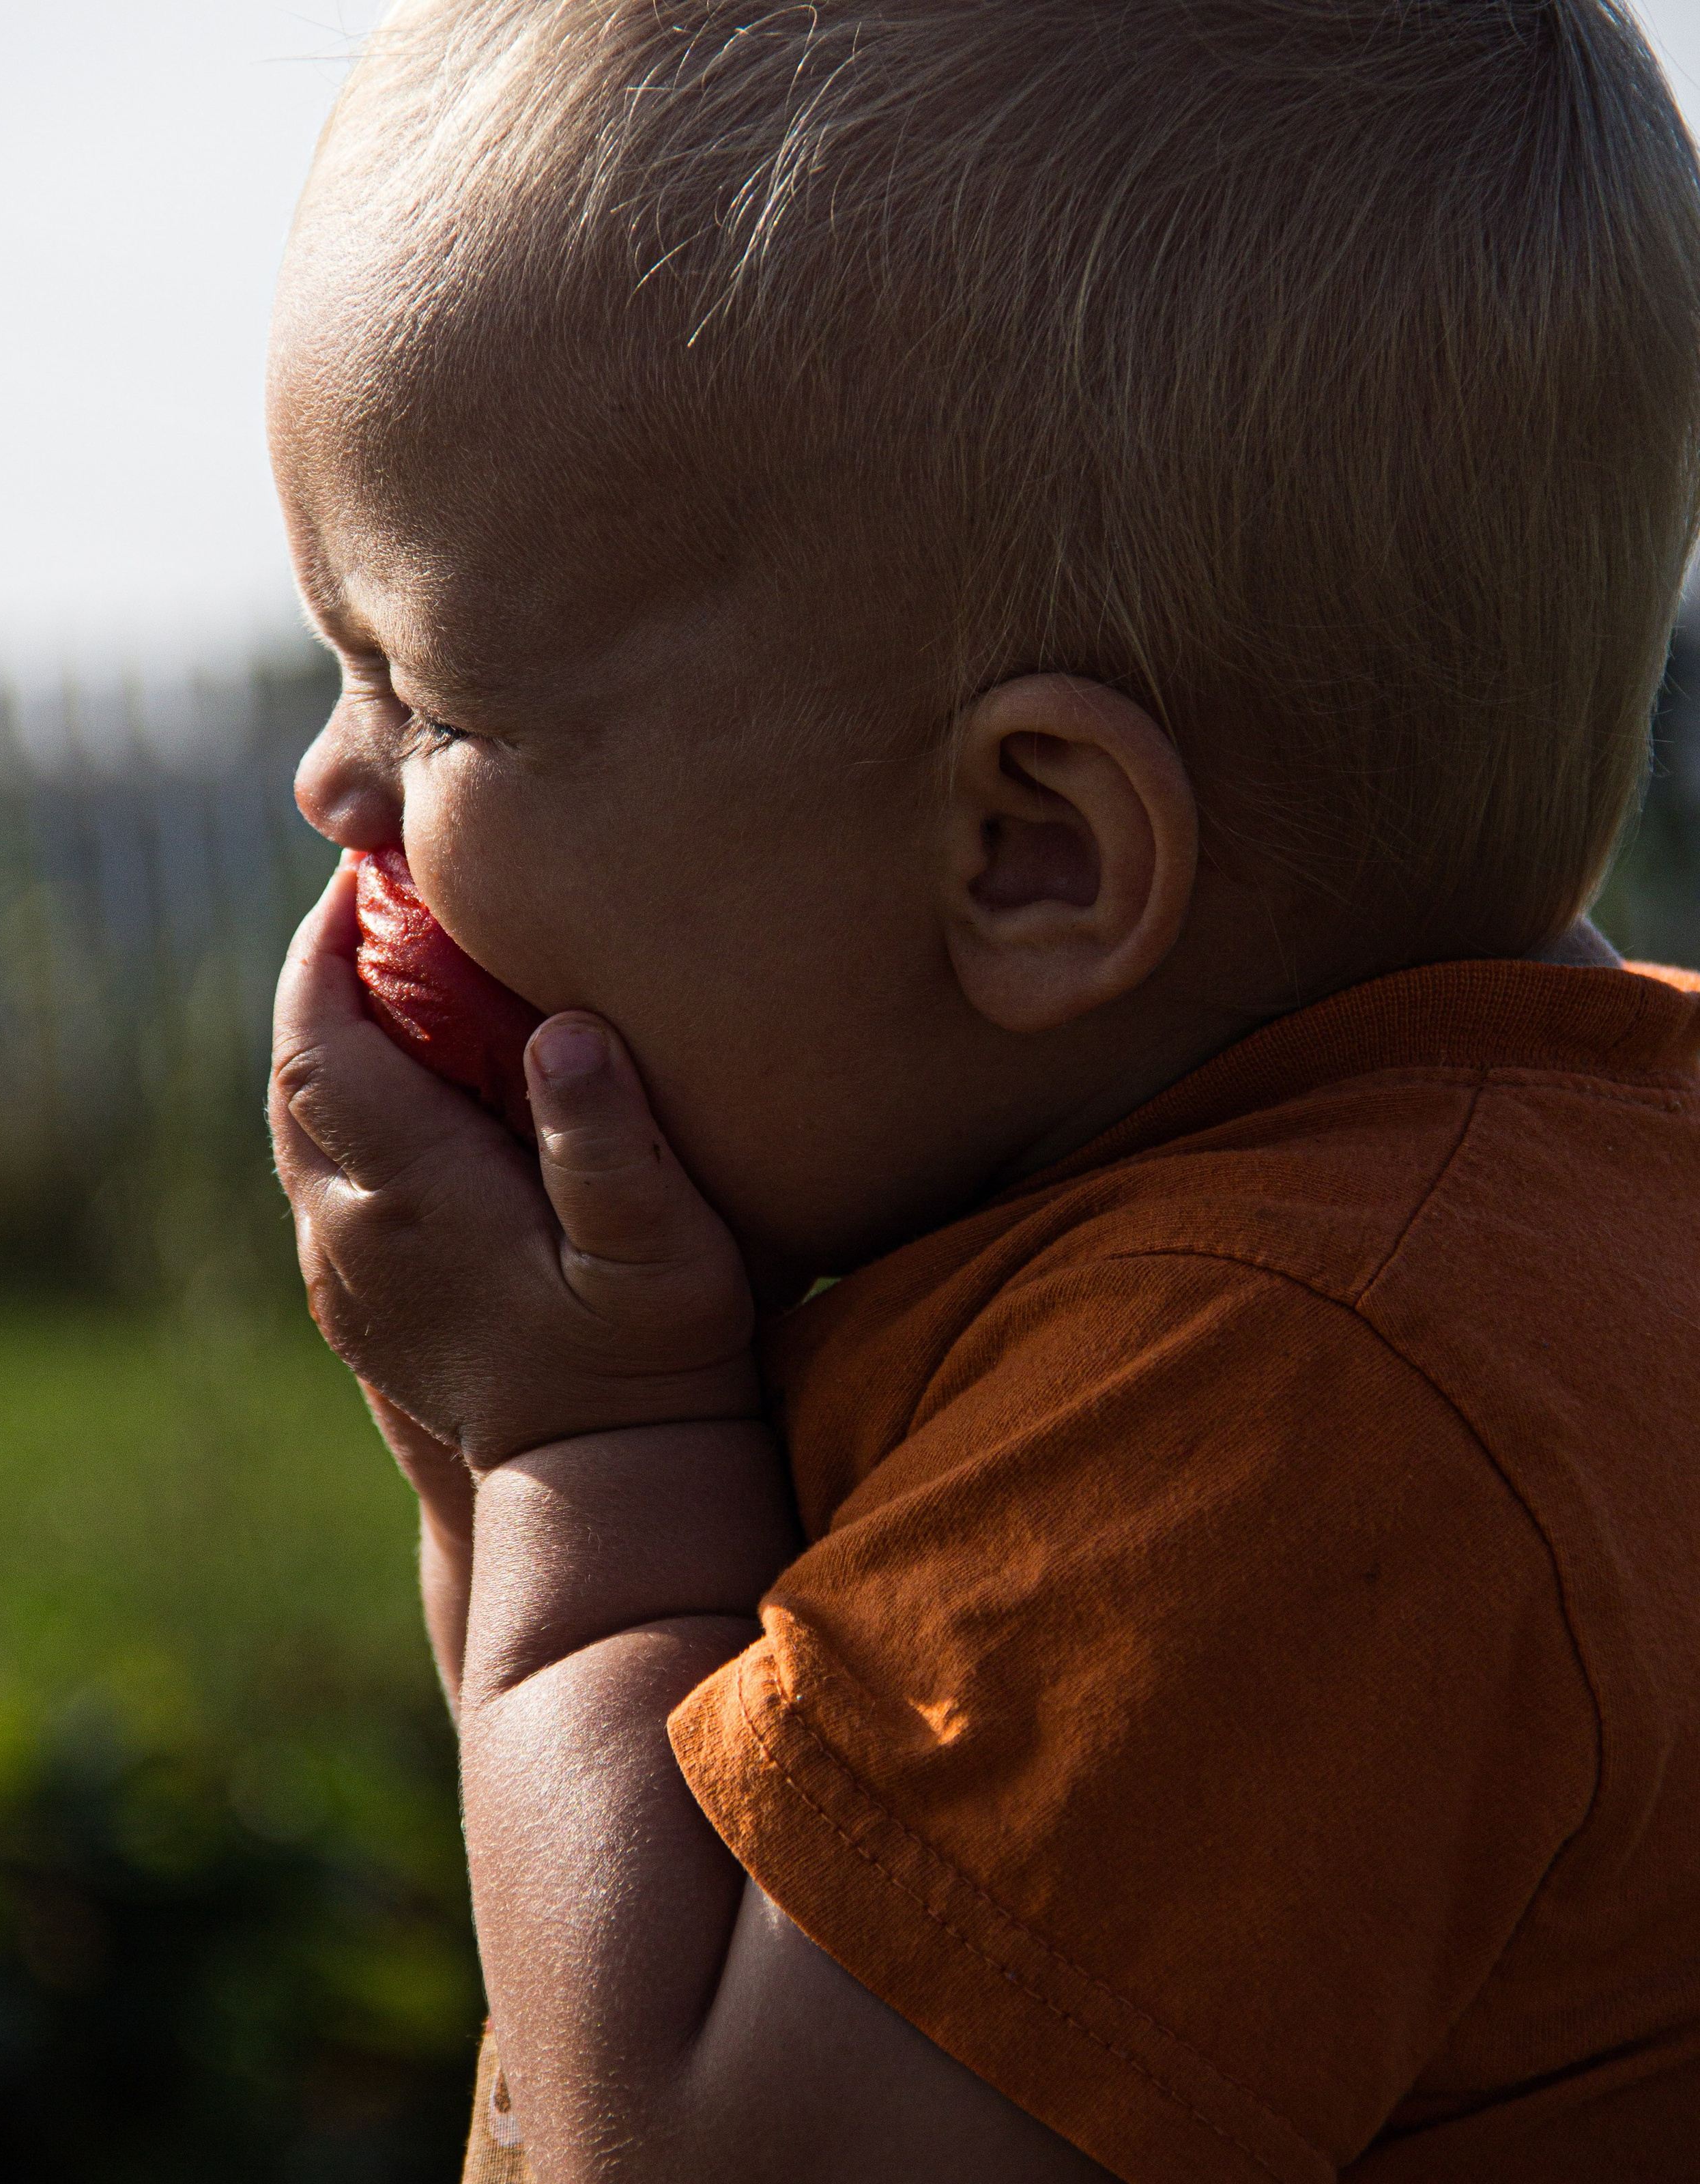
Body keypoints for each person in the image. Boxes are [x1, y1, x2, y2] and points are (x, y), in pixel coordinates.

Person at [263, 1, 1700, 2176]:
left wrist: (581, 1446)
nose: (328, 776)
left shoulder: (1288, 1403)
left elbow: (689, 2144)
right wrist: (501, 1458)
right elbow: (631, 1876)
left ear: (1031, 852)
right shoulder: (1507, 1225)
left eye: (427, 690)